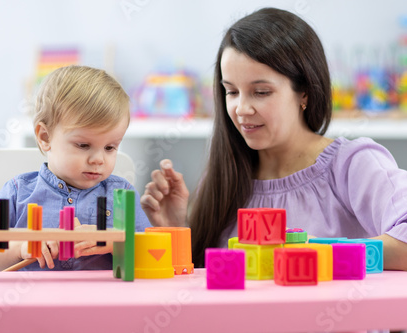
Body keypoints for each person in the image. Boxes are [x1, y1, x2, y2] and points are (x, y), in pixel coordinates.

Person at [141, 7, 407, 270]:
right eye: (231, 92)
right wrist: (177, 229)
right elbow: (203, 284)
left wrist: (305, 253)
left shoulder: (352, 165)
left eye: (261, 92)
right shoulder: (226, 172)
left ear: (304, 92)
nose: (242, 109)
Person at [0, 65, 151, 271]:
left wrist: (113, 241)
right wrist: (20, 247)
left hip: (102, 301)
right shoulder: (18, 193)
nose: (99, 159)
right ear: (45, 137)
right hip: (30, 301)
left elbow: (153, 252)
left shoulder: (120, 195)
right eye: (83, 145)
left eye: (110, 147)